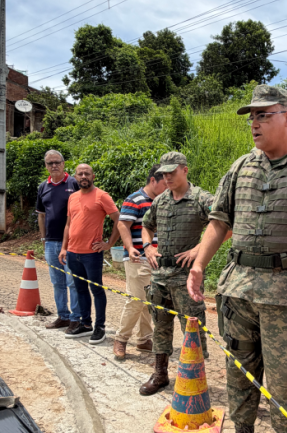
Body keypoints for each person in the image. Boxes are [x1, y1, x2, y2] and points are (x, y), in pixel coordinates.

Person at [187, 85, 287, 433]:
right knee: (238, 376)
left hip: (285, 297)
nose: (254, 123)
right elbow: (219, 222)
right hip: (237, 292)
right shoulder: (240, 167)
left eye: (263, 115)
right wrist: (200, 265)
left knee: (285, 386)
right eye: (252, 117)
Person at [138, 152, 216, 396]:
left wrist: (199, 249)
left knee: (192, 328)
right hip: (160, 275)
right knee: (160, 327)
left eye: (172, 172)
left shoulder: (202, 199)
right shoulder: (161, 200)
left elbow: (225, 225)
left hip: (186, 278)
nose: (167, 177)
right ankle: (160, 374)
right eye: (163, 173)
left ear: (185, 170)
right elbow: (146, 225)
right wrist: (148, 246)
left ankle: (194, 378)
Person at [59, 164, 121, 344]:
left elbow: (118, 219)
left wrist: (109, 243)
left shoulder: (102, 196)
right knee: (80, 289)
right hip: (73, 252)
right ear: (75, 177)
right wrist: (64, 248)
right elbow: (69, 225)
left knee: (96, 289)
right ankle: (85, 324)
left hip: (92, 254)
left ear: (93, 176)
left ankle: (100, 327)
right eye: (80, 174)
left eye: (87, 173)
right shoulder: (72, 198)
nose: (84, 176)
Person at [112, 164, 167, 361]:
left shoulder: (164, 201)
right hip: (138, 258)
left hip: (158, 260)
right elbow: (122, 224)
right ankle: (121, 339)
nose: (167, 186)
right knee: (136, 300)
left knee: (150, 301)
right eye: (164, 183)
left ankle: (144, 339)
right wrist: (129, 247)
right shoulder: (135, 199)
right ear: (153, 180)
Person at [36, 150, 81, 332]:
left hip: (72, 243)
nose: (54, 165)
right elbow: (41, 215)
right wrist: (43, 238)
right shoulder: (43, 187)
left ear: (63, 164)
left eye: (57, 162)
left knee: (73, 282)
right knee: (57, 282)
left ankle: (76, 318)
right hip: (51, 242)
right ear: (46, 166)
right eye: (50, 163)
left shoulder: (74, 183)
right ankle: (63, 316)